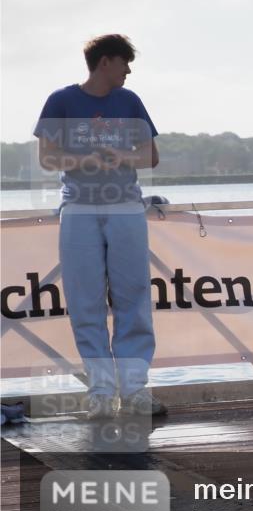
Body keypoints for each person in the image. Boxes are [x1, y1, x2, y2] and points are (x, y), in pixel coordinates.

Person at [34, 34, 164, 419]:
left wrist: (120, 155)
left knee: (134, 297)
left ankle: (136, 389)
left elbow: (151, 156)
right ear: (106, 61)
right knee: (85, 300)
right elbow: (47, 156)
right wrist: (88, 159)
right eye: (125, 63)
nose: (129, 71)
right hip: (78, 210)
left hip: (126, 208)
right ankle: (102, 392)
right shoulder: (61, 100)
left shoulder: (130, 101)